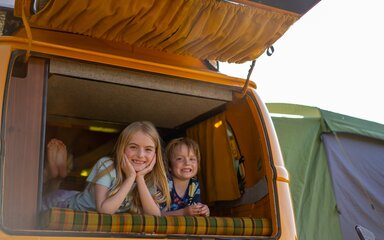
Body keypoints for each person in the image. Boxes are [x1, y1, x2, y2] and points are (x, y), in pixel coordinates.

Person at [43, 121, 170, 216]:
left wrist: (140, 178)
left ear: (155, 154)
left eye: (148, 149)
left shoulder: (148, 175)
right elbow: (104, 210)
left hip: (77, 196)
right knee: (38, 201)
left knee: (54, 183)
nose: (141, 155)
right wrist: (131, 177)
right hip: (66, 203)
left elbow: (154, 215)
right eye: (133, 147)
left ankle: (58, 175)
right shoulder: (107, 165)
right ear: (122, 148)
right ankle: (55, 174)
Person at [162, 137, 210, 216]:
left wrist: (203, 210)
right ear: (169, 165)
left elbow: (196, 210)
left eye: (192, 159)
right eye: (179, 159)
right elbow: (154, 215)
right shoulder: (163, 183)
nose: (187, 163)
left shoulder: (194, 184)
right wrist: (184, 212)